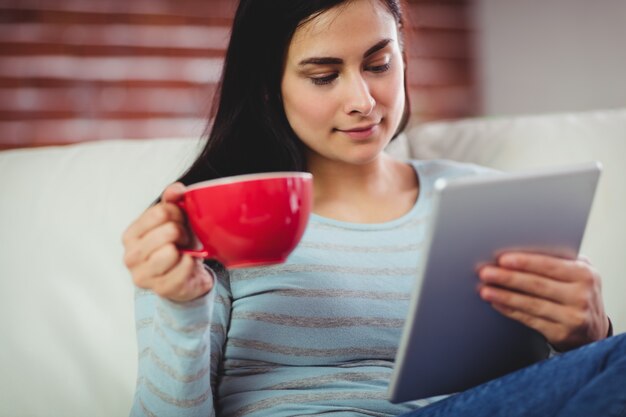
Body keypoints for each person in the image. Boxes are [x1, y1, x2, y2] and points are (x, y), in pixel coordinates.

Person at [122, 0, 625, 416]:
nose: (363, 99)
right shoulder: (208, 217)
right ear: (267, 88)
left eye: (378, 64)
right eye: (323, 76)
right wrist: (180, 307)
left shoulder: (489, 202)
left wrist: (588, 337)